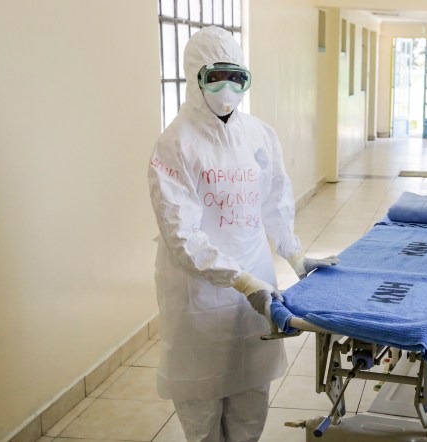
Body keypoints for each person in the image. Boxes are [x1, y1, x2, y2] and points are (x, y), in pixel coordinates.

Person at [148, 26, 338, 442]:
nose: (226, 87)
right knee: (202, 407)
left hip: (256, 284)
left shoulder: (259, 134)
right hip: (197, 292)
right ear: (195, 77)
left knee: (252, 396)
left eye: (237, 76)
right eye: (215, 76)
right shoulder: (175, 144)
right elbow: (182, 235)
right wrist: (239, 280)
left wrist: (295, 256)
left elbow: (275, 201)